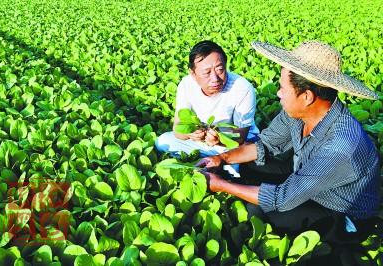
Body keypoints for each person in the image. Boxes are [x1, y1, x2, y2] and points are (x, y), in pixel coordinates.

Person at [197, 40, 381, 245]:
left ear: (307, 97)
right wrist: (221, 158)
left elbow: (283, 198)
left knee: (258, 209)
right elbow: (264, 145)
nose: (278, 93)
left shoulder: (342, 145)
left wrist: (222, 185)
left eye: (283, 88)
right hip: (306, 178)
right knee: (251, 165)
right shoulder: (295, 113)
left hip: (340, 212)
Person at [155, 40, 259, 161]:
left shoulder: (242, 88)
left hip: (234, 145)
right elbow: (178, 128)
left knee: (238, 167)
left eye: (220, 69)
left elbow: (241, 135)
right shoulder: (186, 84)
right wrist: (190, 134)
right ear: (193, 74)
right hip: (201, 142)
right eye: (207, 72)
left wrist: (218, 137)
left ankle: (214, 163)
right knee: (162, 142)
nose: (215, 78)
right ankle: (209, 161)